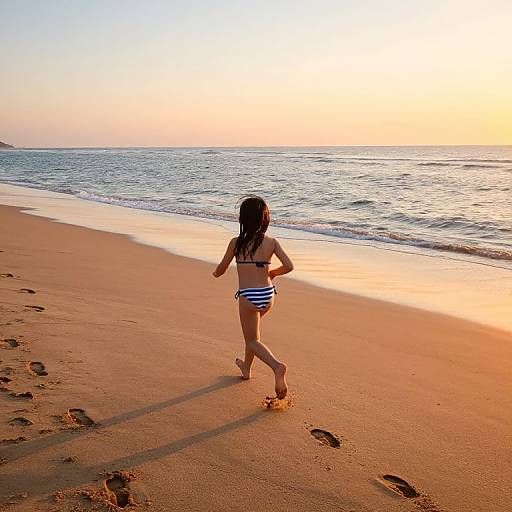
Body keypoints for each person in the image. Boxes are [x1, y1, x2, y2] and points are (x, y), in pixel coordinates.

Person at [212, 195, 294, 399]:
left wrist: (215, 273)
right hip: (268, 295)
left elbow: (221, 269)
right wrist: (272, 273)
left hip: (248, 297)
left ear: (242, 219)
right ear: (265, 220)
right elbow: (289, 266)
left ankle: (277, 367)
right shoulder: (272, 242)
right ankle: (246, 369)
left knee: (251, 340)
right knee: (253, 338)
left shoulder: (236, 242)